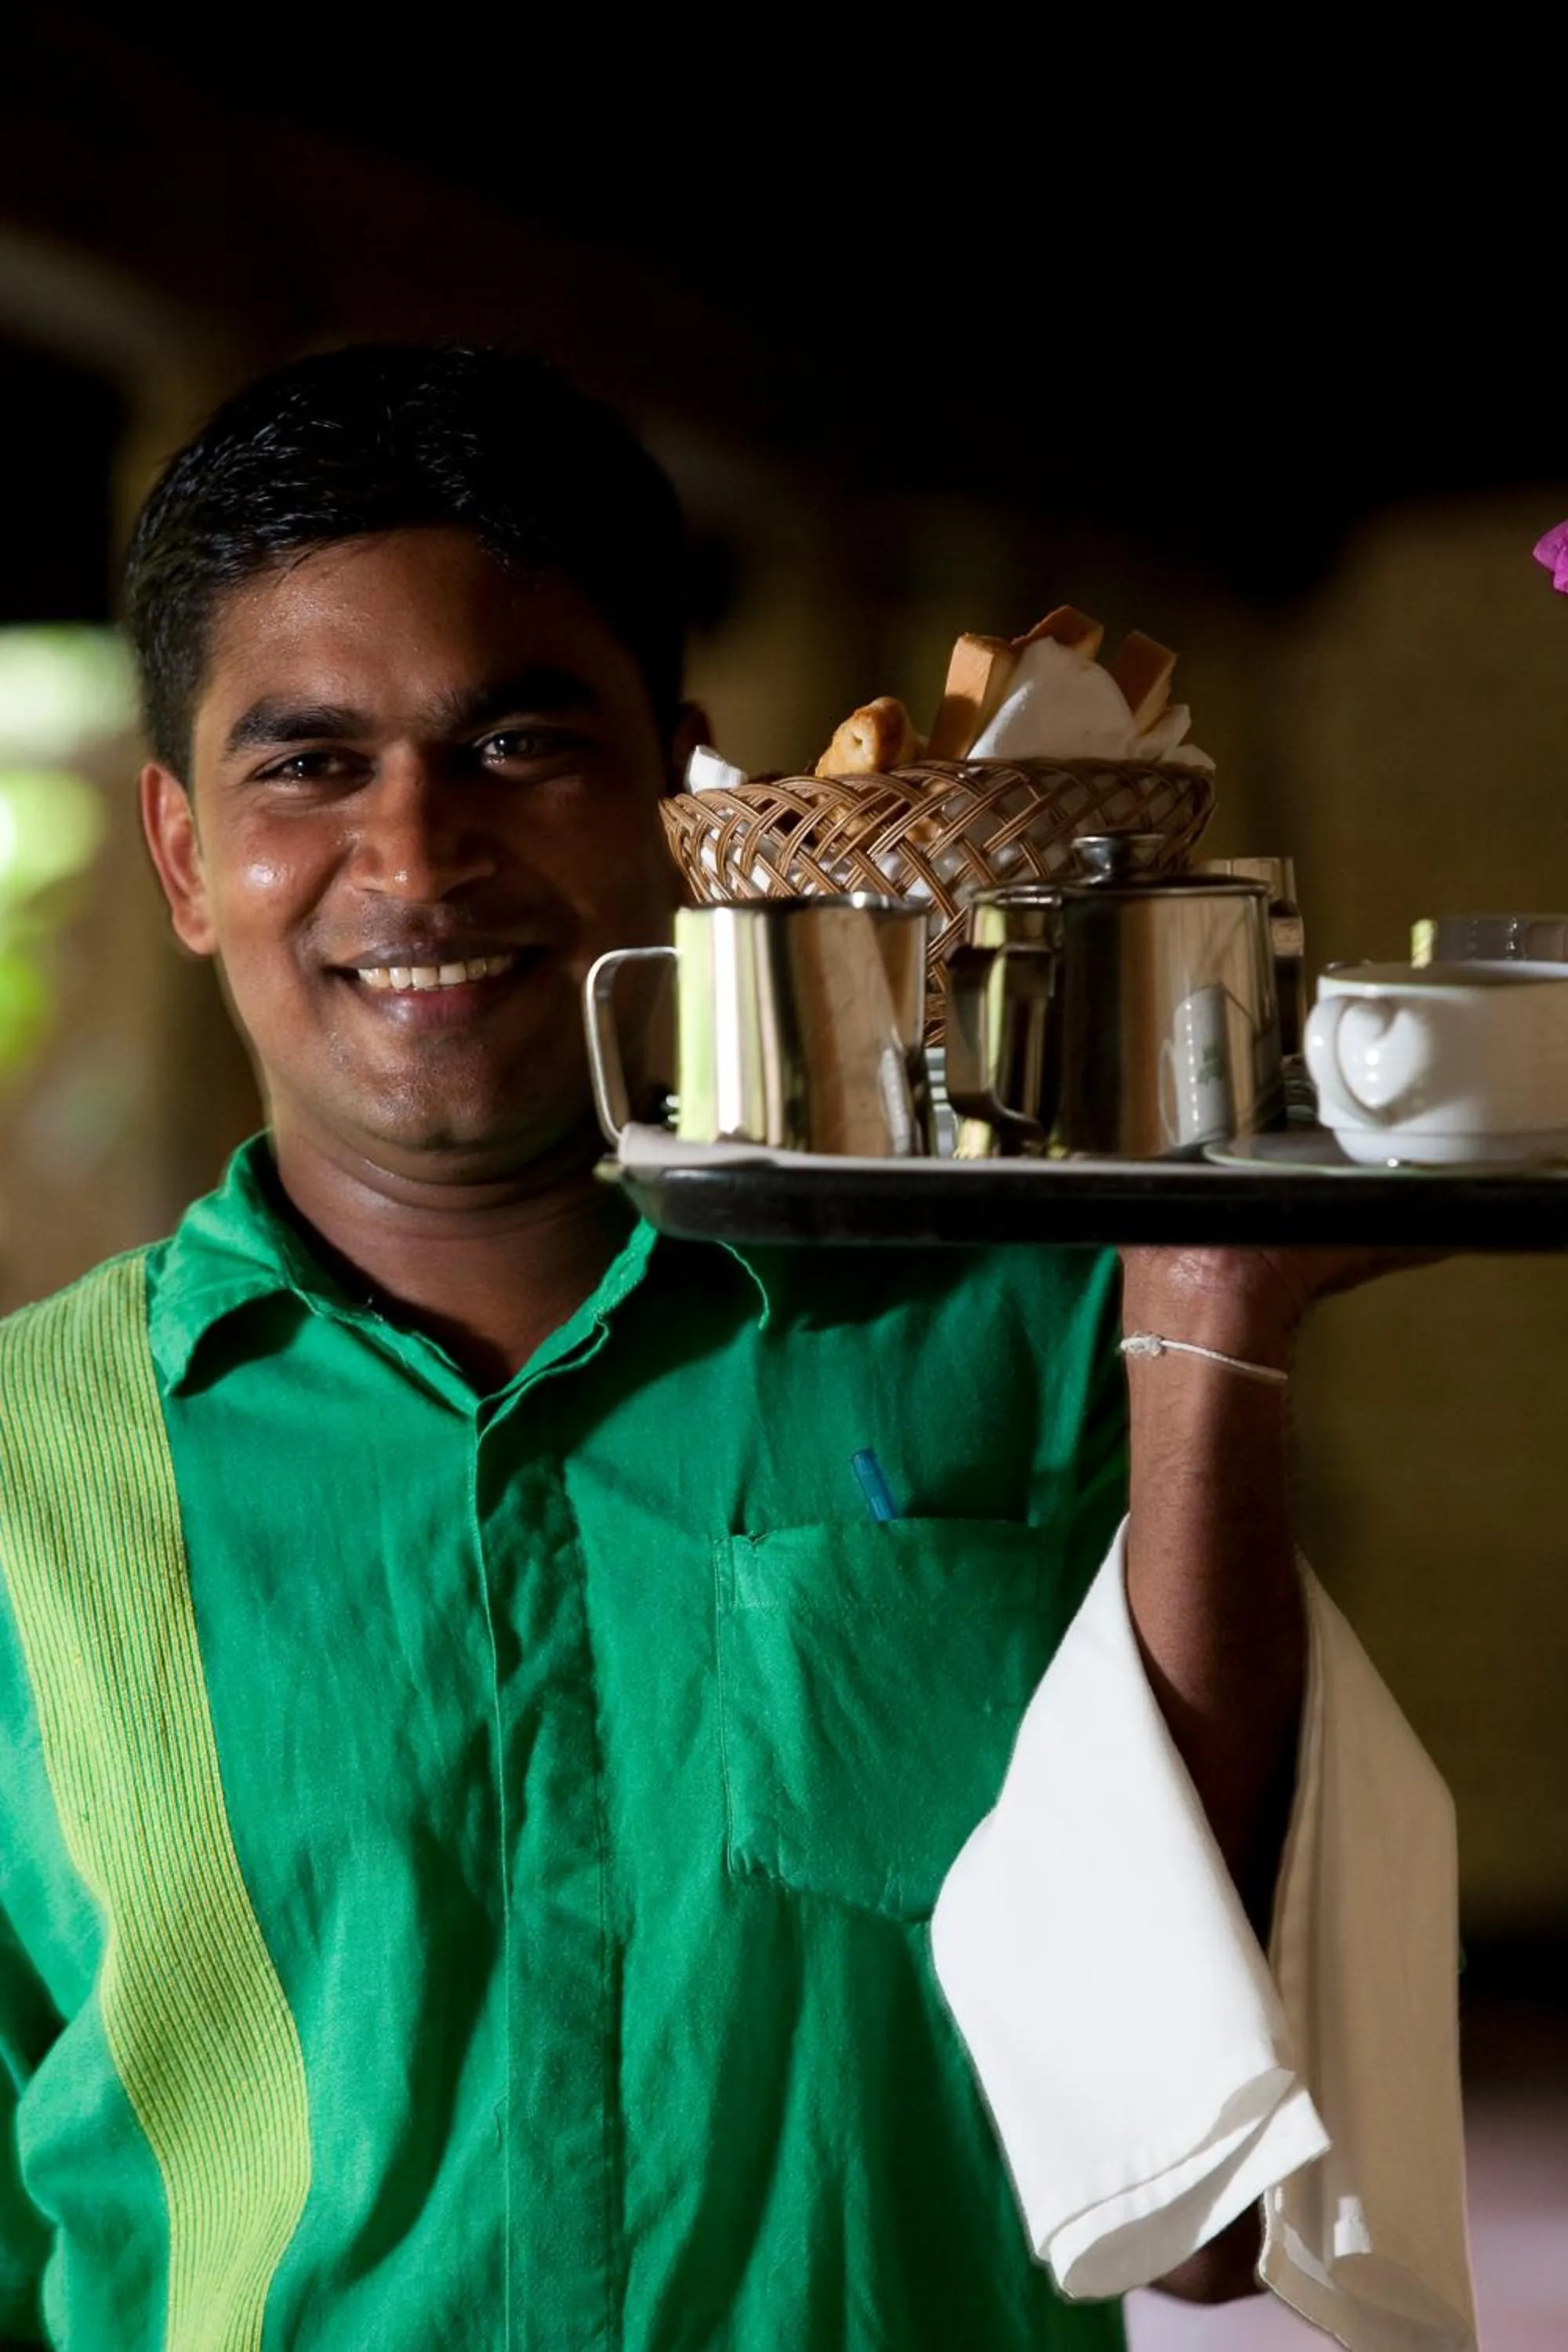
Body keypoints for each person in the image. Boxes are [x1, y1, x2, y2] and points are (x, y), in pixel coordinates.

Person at [0, 344, 1469, 2352]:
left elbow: (1206, 2213)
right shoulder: (26, 1474)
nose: (415, 859)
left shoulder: (1024, 1342)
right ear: (181, 855)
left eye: (517, 744)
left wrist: (1212, 1325)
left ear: (684, 806)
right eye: (310, 766)